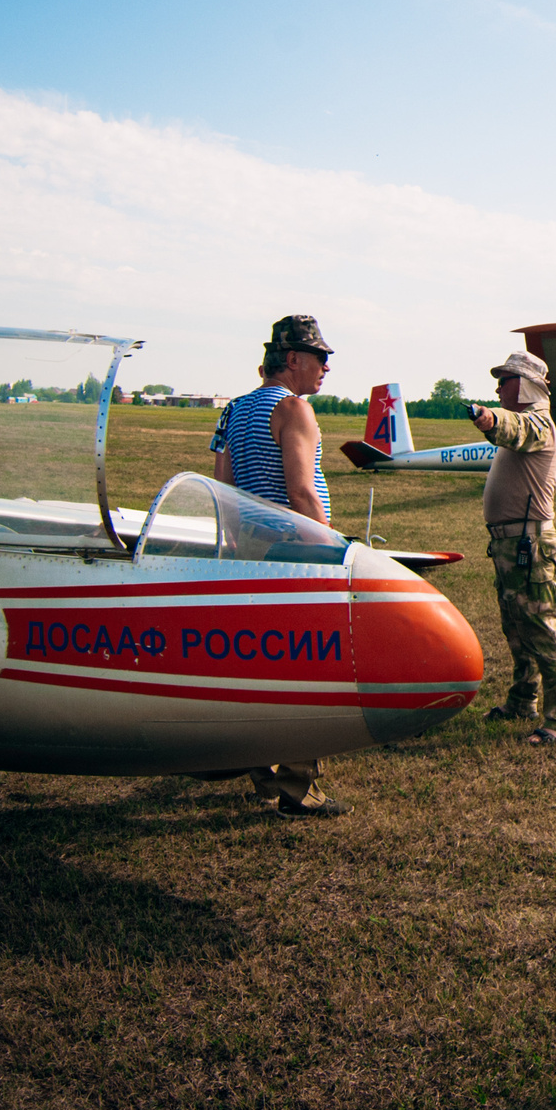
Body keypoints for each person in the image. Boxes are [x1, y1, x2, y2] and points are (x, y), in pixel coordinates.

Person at [210, 314, 346, 817]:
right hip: (294, 552)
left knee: (260, 665)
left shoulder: (235, 409)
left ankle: (263, 773)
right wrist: (331, 550)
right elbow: (301, 492)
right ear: (292, 359)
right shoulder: (293, 408)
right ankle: (297, 788)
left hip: (247, 552)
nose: (326, 367)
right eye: (320, 357)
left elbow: (222, 488)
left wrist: (239, 546)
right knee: (307, 667)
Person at [471, 348, 556, 745]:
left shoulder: (538, 422)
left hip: (528, 545)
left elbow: (514, 428)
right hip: (513, 544)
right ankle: (521, 701)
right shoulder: (530, 421)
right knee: (516, 627)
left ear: (528, 385)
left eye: (506, 380)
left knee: (542, 630)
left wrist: (490, 418)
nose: (499, 388)